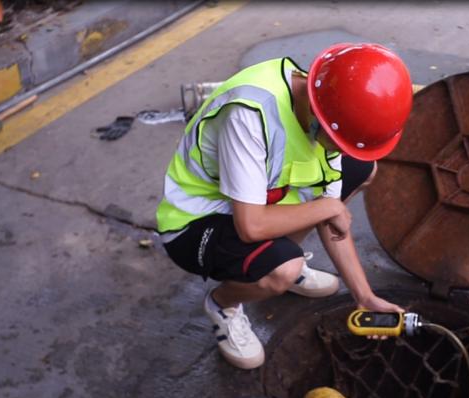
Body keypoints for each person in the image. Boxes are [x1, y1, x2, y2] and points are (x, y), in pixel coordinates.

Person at [156, 43, 413, 370]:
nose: (340, 151)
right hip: (196, 221)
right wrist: (327, 208)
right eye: (340, 143)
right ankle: (224, 303)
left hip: (260, 198)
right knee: (282, 269)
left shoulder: (326, 107)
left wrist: (364, 296)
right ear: (322, 117)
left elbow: (331, 214)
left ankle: (278, 258)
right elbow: (252, 226)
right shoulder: (249, 113)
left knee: (361, 169)